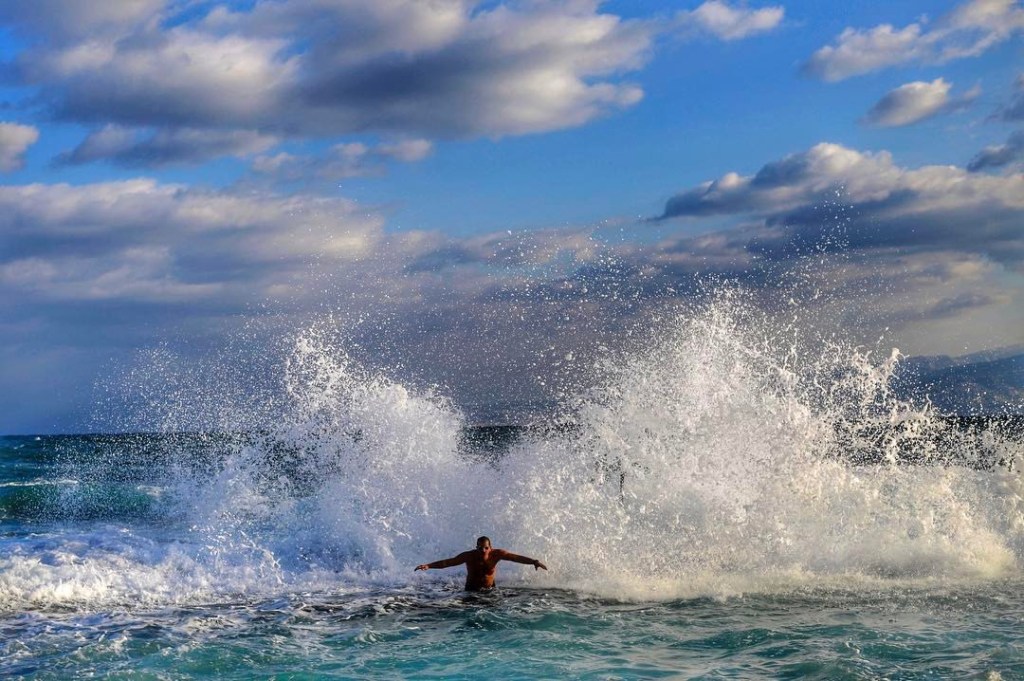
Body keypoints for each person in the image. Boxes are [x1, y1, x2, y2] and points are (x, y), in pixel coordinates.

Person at [415, 536, 547, 591]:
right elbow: (448, 562)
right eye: (479, 548)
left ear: (490, 547)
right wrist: (429, 565)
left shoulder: (497, 554)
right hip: (471, 591)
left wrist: (533, 561)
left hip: (490, 591)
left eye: (485, 548)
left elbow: (515, 558)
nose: (482, 550)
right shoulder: (469, 556)